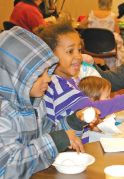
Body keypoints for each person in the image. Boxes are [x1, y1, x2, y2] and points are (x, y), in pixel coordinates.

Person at [34, 22, 124, 134]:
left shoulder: (69, 81)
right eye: (70, 51)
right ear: (49, 55)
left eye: (79, 50)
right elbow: (92, 109)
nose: (78, 56)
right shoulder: (57, 85)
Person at [0, 26, 97, 178]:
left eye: (48, 71)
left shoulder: (36, 103)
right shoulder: (3, 114)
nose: (49, 78)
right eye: (39, 75)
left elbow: (50, 132)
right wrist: (54, 141)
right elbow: (6, 168)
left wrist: (73, 122)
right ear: (15, 76)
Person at [79, 0, 124, 70]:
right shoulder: (112, 16)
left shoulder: (91, 14)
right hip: (108, 49)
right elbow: (117, 32)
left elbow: (81, 26)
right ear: (110, 3)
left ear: (99, 2)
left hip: (91, 48)